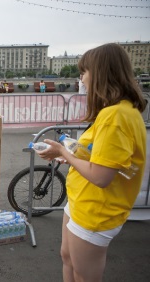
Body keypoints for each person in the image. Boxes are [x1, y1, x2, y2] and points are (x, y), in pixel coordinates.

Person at [35, 43, 147, 281]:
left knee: (83, 274)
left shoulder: (114, 115)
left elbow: (101, 176)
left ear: (100, 73)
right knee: (67, 258)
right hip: (81, 202)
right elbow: (103, 157)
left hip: (95, 209)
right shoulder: (120, 111)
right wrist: (70, 156)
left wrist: (64, 154)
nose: (82, 79)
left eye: (84, 72)